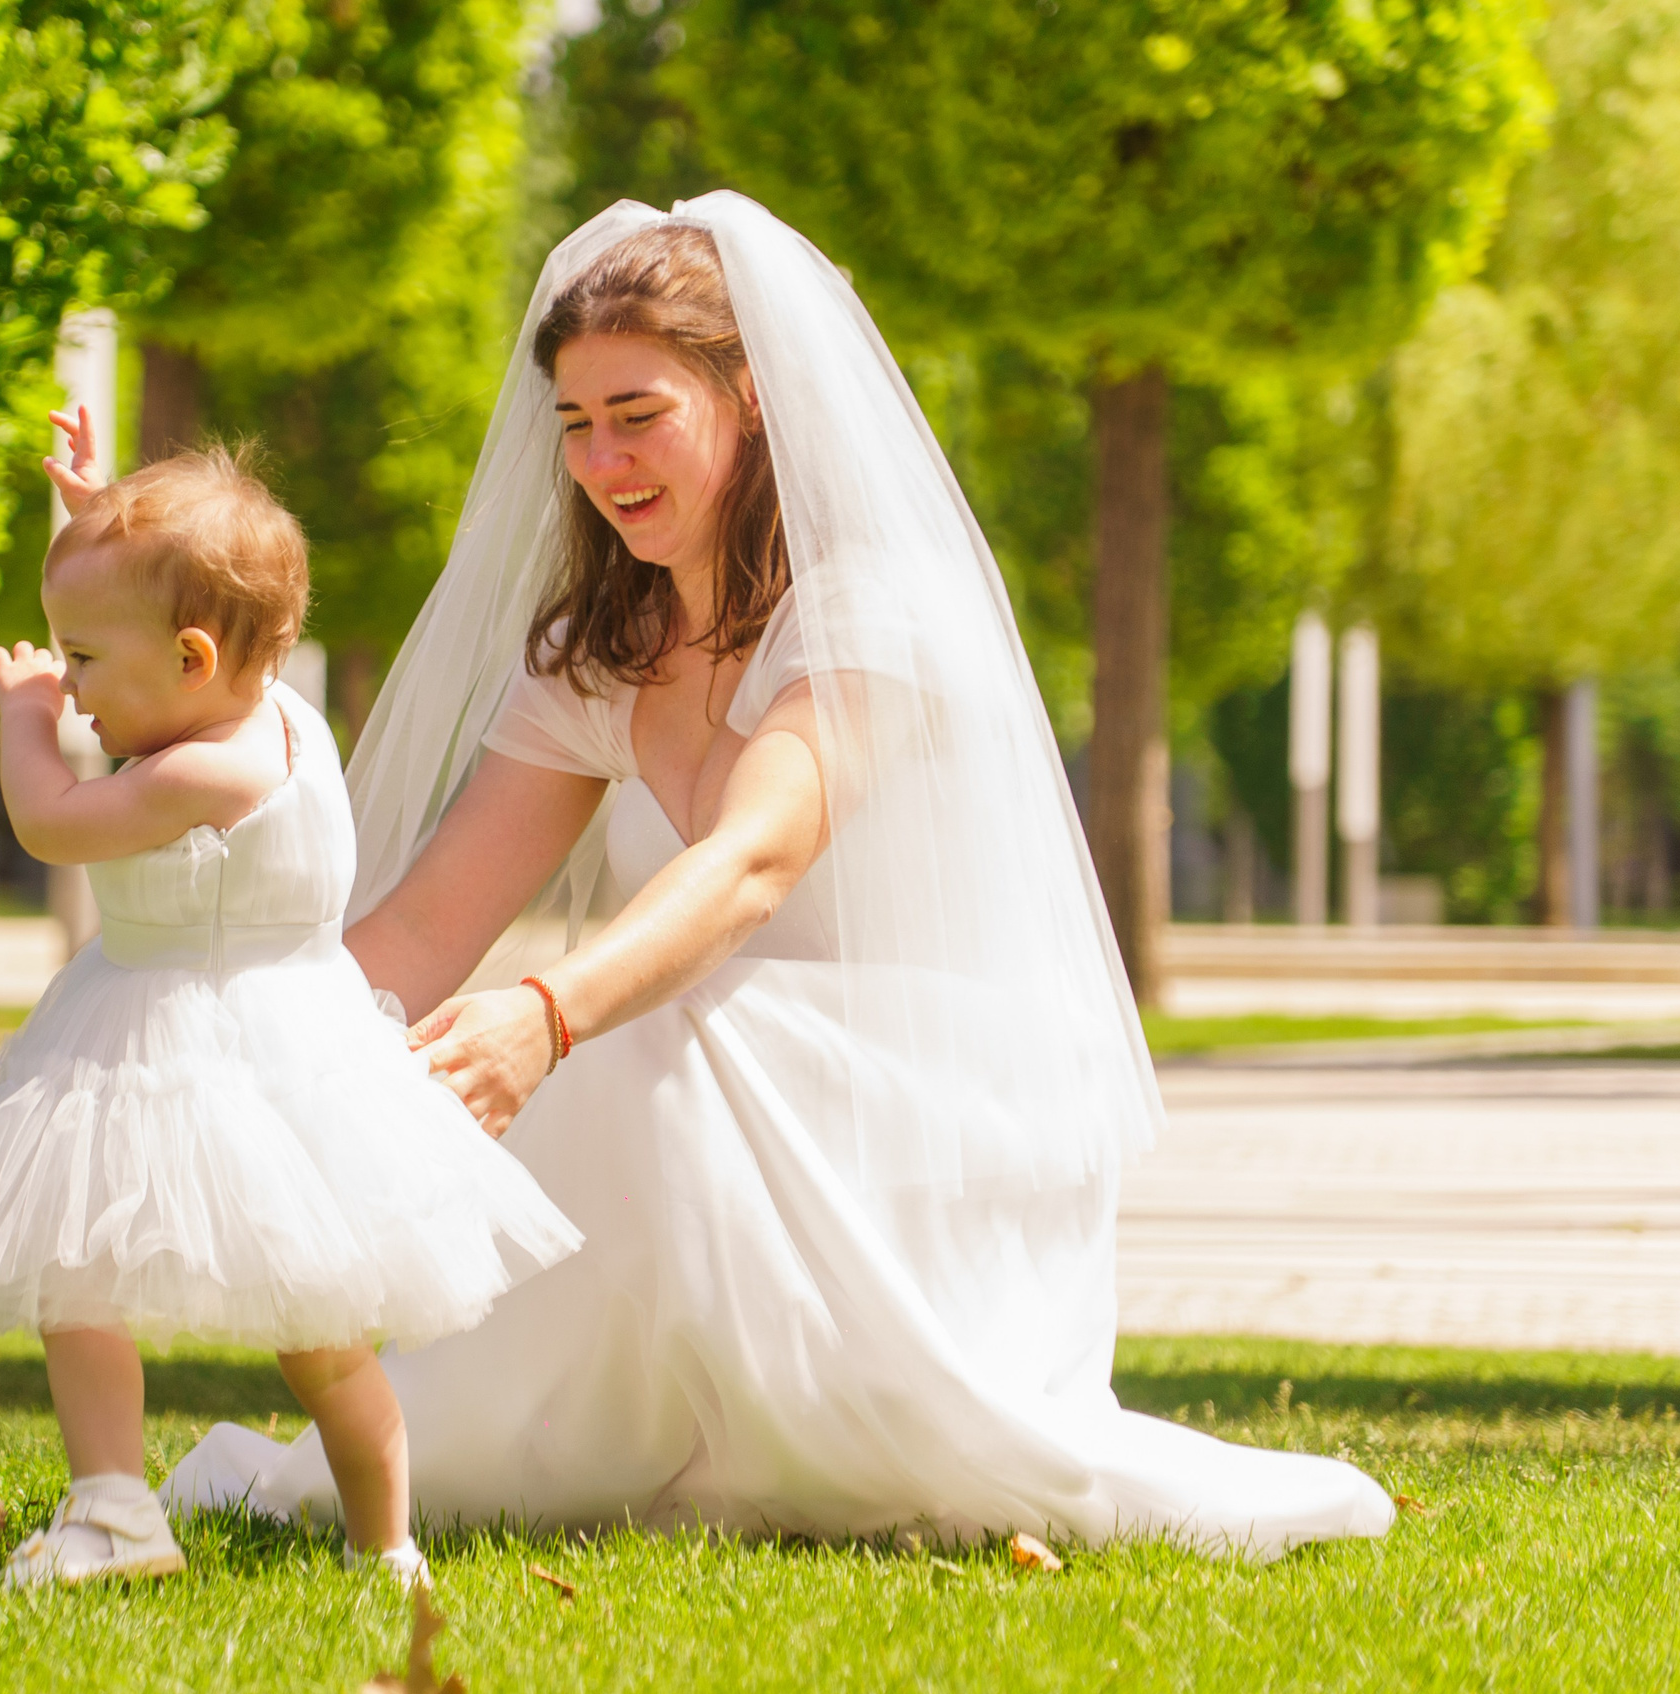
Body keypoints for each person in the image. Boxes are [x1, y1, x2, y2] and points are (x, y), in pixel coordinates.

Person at [161, 196, 1394, 1559]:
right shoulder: (601, 644)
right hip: (714, 1079)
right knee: (642, 1040)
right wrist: (250, 1049)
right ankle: (603, 1439)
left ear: (747, 395)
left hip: (939, 1089)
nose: (602, 460)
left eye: (640, 413)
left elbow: (752, 862)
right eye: (575, 426)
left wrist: (549, 1018)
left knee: (642, 1034)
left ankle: (796, 1433)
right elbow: (432, 915)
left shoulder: (872, 607)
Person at [0, 442, 581, 1591]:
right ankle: (326, 1535)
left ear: (193, 658)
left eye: (85, 660)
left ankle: (170, 1520)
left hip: (171, 1047)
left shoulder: (202, 774)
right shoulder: (283, 721)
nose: (75, 686)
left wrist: (17, 720)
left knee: (126, 1289)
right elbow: (170, 588)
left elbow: (53, 825)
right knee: (270, 1324)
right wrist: (99, 511)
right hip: (290, 1052)